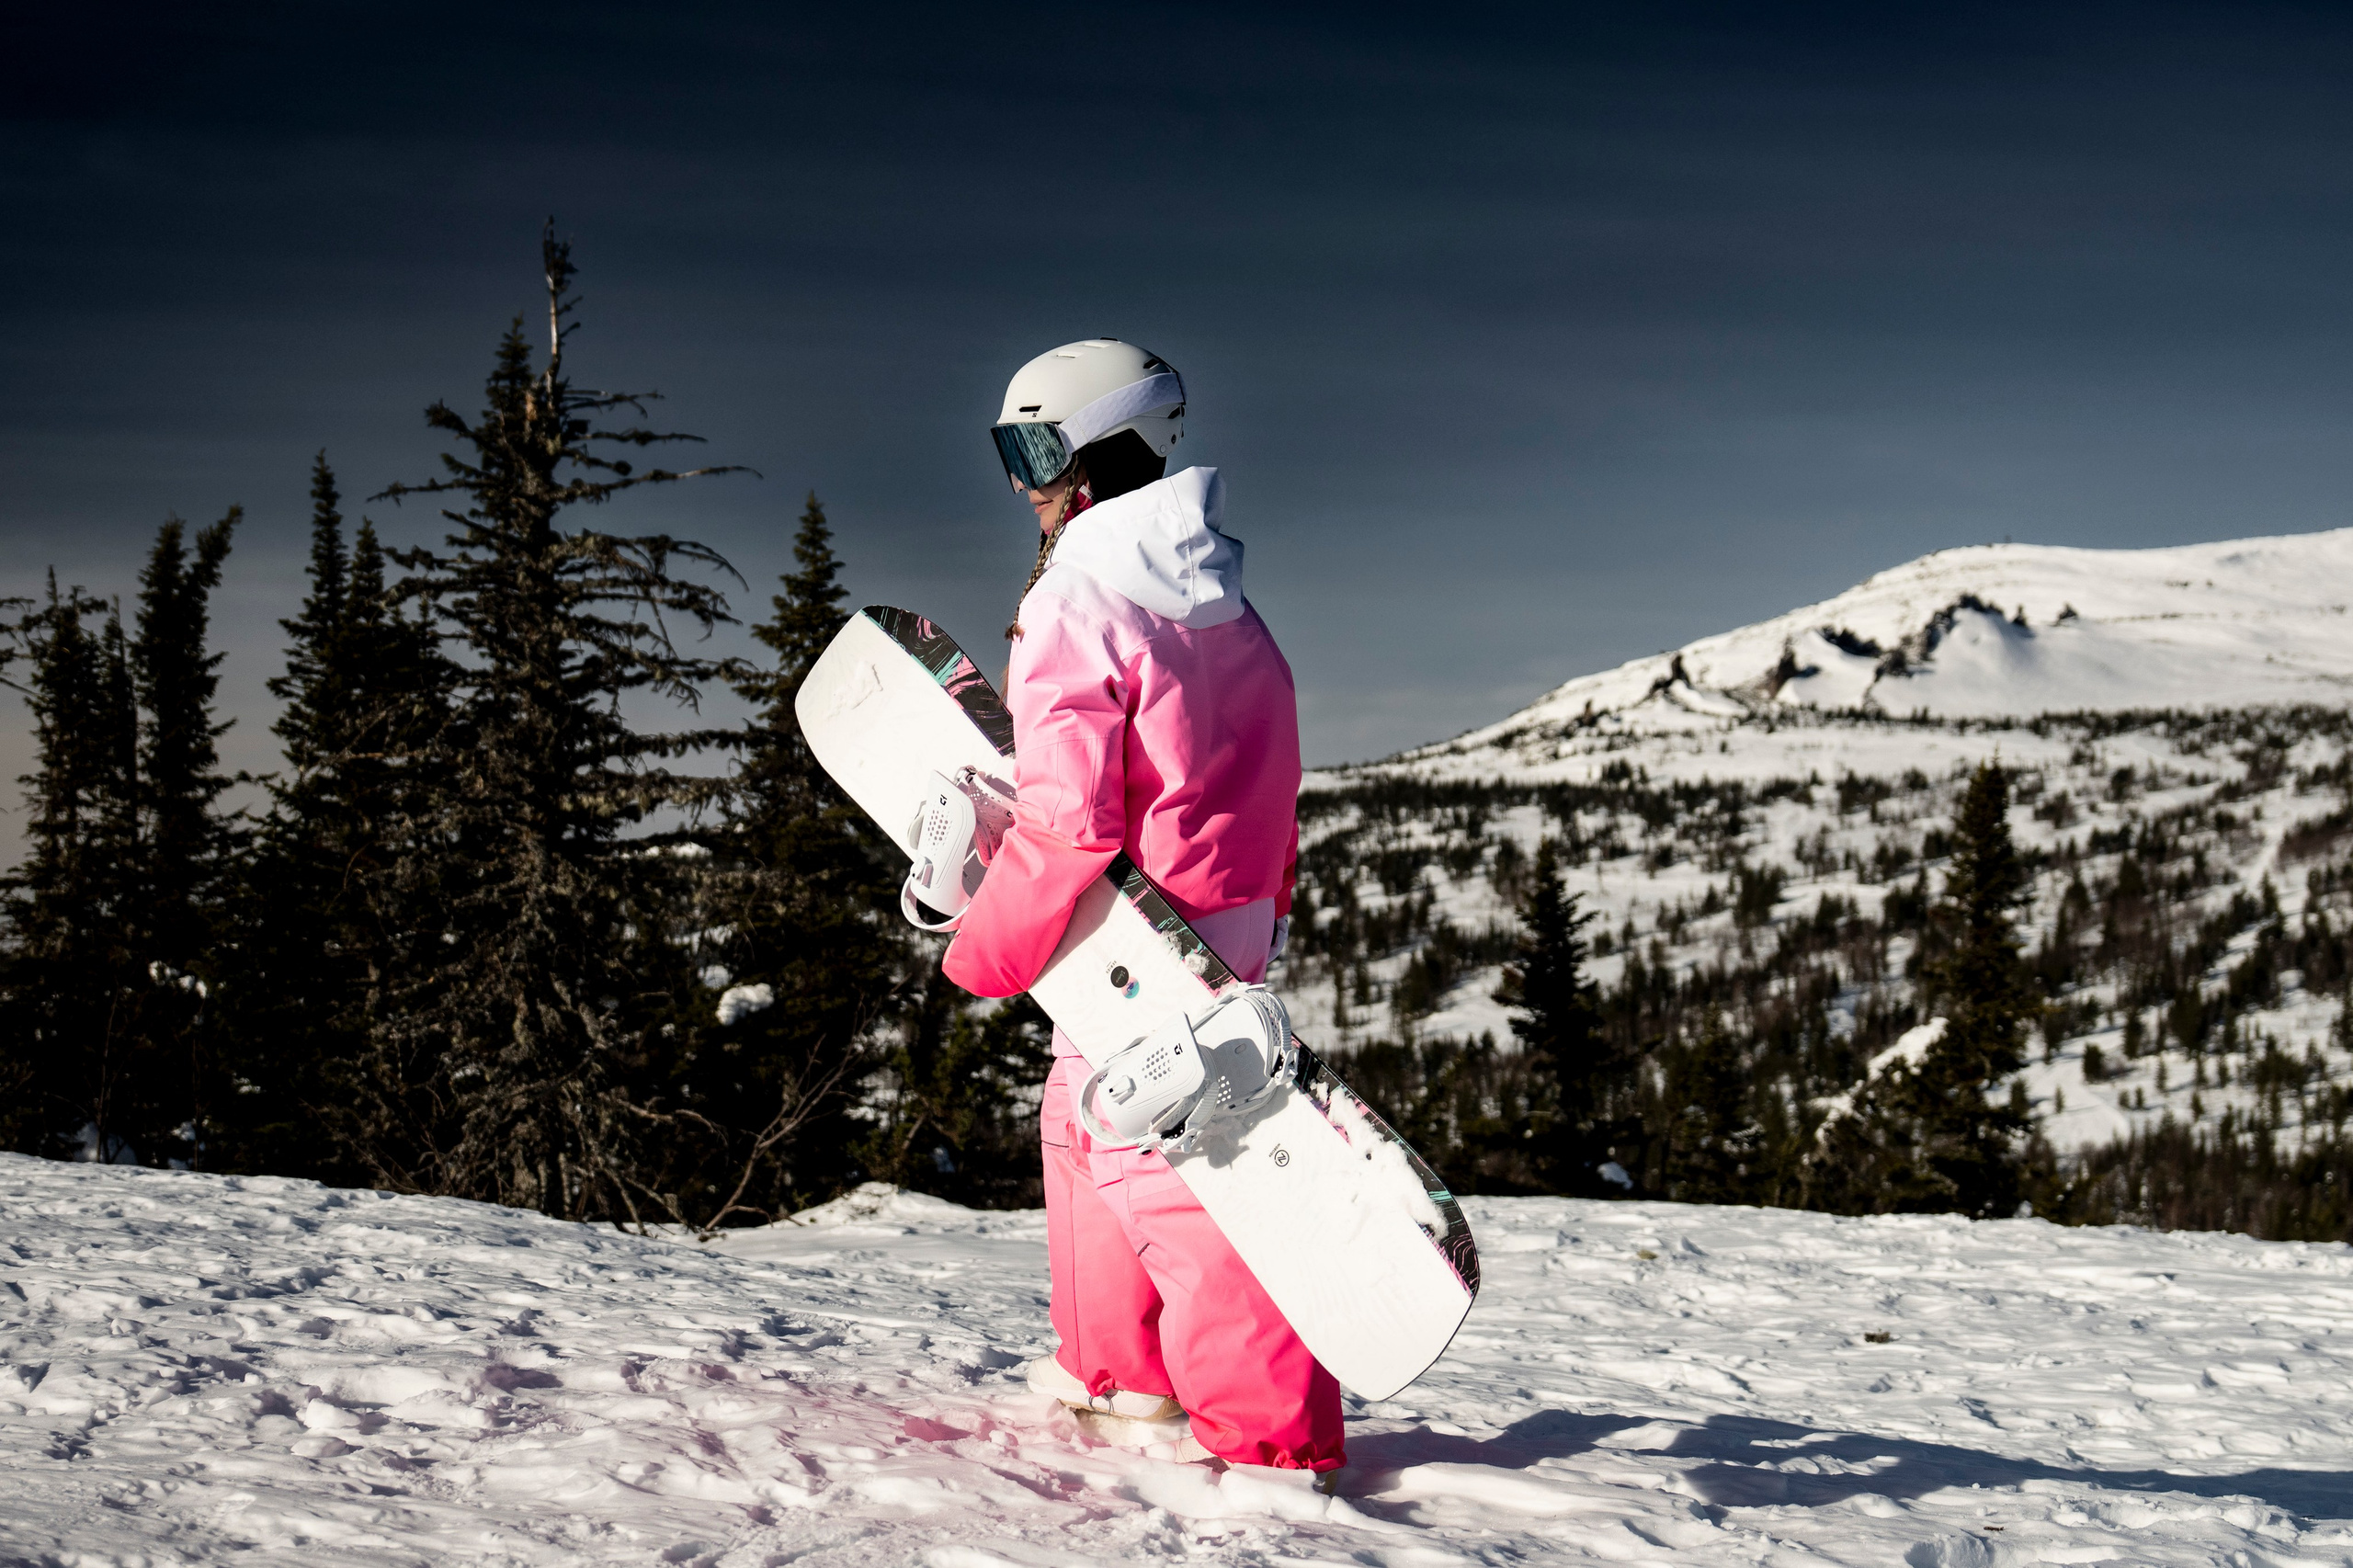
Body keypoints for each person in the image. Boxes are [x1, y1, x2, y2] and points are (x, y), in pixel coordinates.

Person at [940, 338, 1344, 1478]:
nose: (1021, 482)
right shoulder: (1226, 598)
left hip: (1136, 937)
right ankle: (1113, 1369)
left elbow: (1071, 821)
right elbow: (1268, 769)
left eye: (1029, 449)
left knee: (1163, 1166)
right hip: (1221, 915)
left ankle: (1272, 1440)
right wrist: (1262, 904)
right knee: (1079, 1124)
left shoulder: (1077, 596)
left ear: (1092, 446)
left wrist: (986, 948)